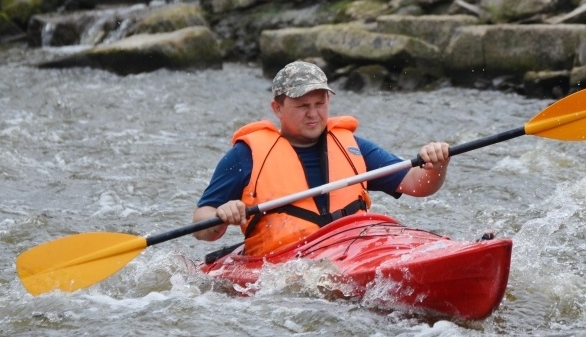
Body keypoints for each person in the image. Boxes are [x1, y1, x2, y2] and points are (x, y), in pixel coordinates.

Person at [192, 60, 450, 256]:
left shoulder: (352, 147)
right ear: (277, 108)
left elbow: (417, 184)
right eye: (303, 106)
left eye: (320, 104)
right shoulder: (246, 155)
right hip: (284, 265)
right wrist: (221, 217)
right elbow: (201, 225)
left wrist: (437, 165)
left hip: (351, 252)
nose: (313, 114)